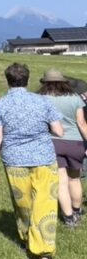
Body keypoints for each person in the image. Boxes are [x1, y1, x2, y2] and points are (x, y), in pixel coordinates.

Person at [0, 63, 63, 259]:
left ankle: (27, 237)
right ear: (27, 80)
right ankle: (44, 251)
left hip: (15, 160)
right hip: (44, 159)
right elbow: (59, 131)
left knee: (24, 204)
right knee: (45, 203)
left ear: (8, 80)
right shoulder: (43, 102)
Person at [37, 68, 87, 227]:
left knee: (61, 181)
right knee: (75, 179)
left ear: (45, 83)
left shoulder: (41, 99)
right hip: (75, 143)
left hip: (53, 142)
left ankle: (68, 217)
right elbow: (82, 123)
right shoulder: (75, 98)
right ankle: (77, 211)